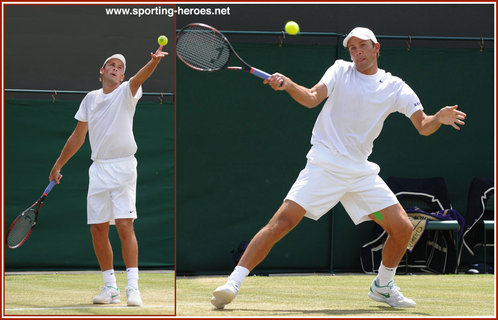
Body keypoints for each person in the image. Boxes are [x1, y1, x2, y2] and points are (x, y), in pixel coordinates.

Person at [211, 27, 466, 309]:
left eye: (362, 46)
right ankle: (232, 282)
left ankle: (383, 286)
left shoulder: (395, 87)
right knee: (281, 223)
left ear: (376, 47)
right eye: (352, 48)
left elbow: (423, 125)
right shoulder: (340, 71)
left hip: (359, 172)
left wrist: (439, 118)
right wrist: (289, 84)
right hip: (325, 163)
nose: (357, 52)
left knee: (403, 228)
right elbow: (311, 97)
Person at [49, 47, 167, 306]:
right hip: (98, 168)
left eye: (121, 67)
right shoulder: (90, 99)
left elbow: (139, 78)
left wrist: (153, 62)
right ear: (102, 71)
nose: (116, 69)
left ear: (123, 76)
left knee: (125, 225)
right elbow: (78, 136)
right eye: (111, 65)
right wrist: (58, 163)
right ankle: (111, 288)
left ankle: (133, 288)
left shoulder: (128, 91)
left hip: (123, 167)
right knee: (98, 229)